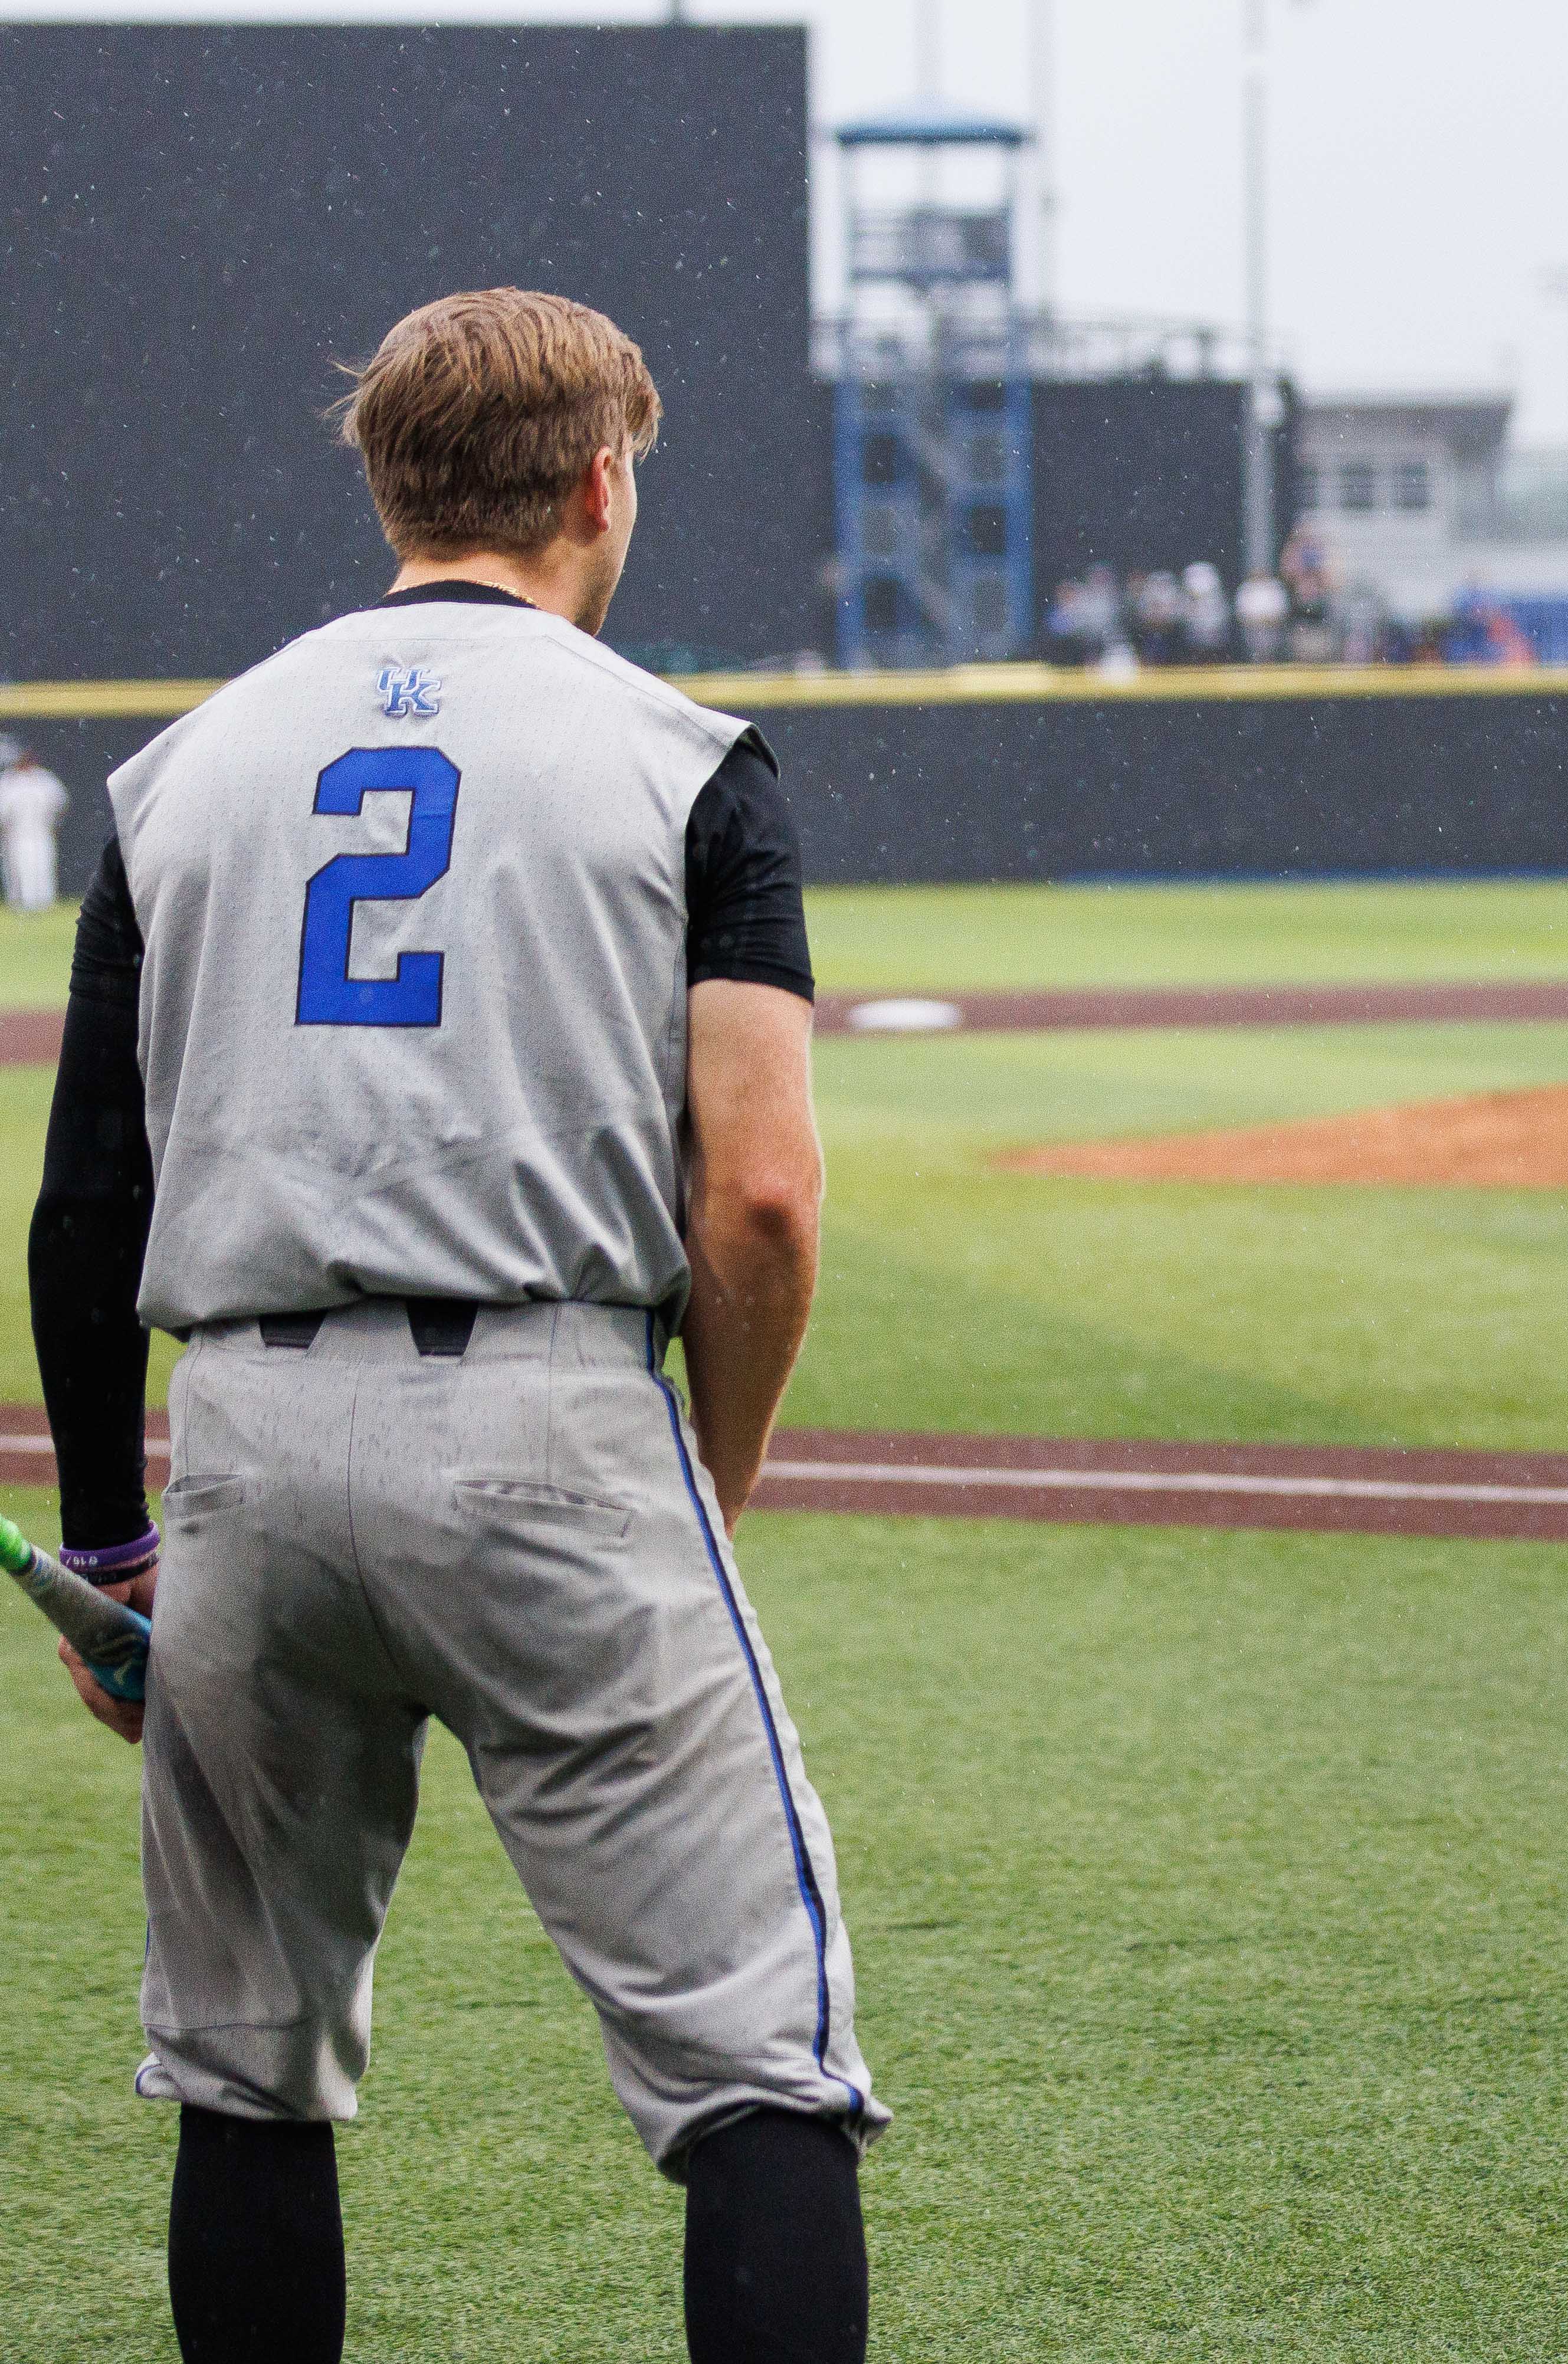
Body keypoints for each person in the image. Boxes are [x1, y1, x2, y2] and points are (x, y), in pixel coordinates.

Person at [27, 288, 881, 2364]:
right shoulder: (684, 762)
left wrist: (111, 1542)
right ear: (601, 482)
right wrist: (721, 1466)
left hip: (244, 1443)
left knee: (246, 2068)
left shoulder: (184, 766)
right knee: (755, 2064)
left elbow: (82, 1209)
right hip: (545, 1413)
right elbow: (759, 1188)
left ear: (387, 481)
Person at [0, 735, 68, 911]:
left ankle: (44, 903)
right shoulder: (8, 781)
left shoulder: (44, 779)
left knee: (43, 866)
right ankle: (21, 904)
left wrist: (53, 823)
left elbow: (60, 801)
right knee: (18, 869)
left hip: (41, 831)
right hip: (16, 833)